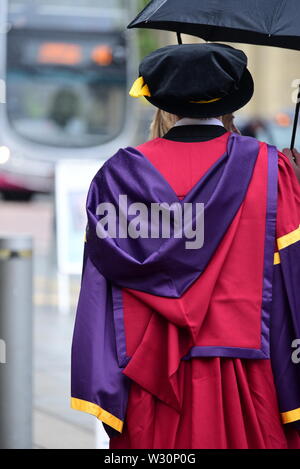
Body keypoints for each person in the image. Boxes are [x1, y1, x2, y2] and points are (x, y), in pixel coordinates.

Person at [71, 43, 300, 449]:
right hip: (250, 377)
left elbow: (98, 289)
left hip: (150, 379)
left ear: (163, 105)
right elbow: (293, 282)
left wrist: (102, 378)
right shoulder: (272, 171)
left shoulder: (117, 178)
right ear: (229, 102)